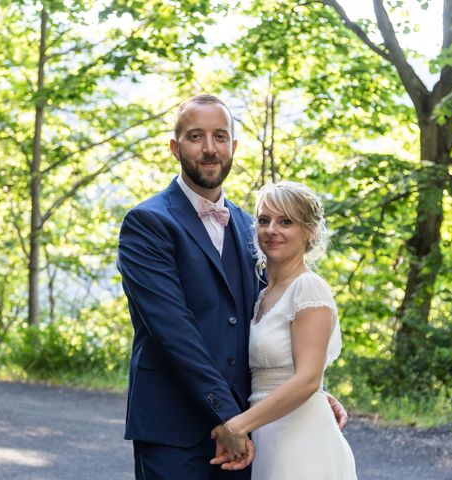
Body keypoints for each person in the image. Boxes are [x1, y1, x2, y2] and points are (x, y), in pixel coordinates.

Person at [117, 94, 347, 479]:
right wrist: (230, 417)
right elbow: (174, 331)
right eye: (195, 137)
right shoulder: (147, 223)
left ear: (233, 147)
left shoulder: (251, 229)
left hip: (248, 432)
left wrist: (309, 393)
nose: (210, 149)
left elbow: (273, 321)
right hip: (176, 428)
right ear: (175, 148)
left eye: (220, 137)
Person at [211, 181, 358, 479]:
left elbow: (307, 379)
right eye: (264, 220)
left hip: (302, 437)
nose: (271, 230)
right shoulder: (264, 294)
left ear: (309, 231)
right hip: (268, 436)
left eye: (286, 221)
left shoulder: (308, 288)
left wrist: (237, 425)